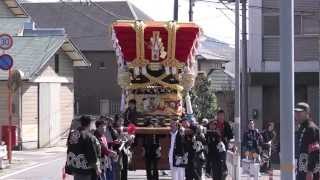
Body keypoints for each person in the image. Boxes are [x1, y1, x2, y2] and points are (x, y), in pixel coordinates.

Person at [65, 115, 101, 180]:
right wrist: (97, 168)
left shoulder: (73, 134)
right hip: (86, 169)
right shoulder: (88, 136)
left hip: (75, 167)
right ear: (90, 124)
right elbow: (91, 155)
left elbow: (69, 149)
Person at [294, 102, 319, 180]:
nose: (297, 114)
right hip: (301, 168)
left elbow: (315, 151)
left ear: (307, 113)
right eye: (296, 112)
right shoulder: (300, 127)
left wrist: (310, 171)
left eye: (300, 112)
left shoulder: (311, 128)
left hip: (309, 170)